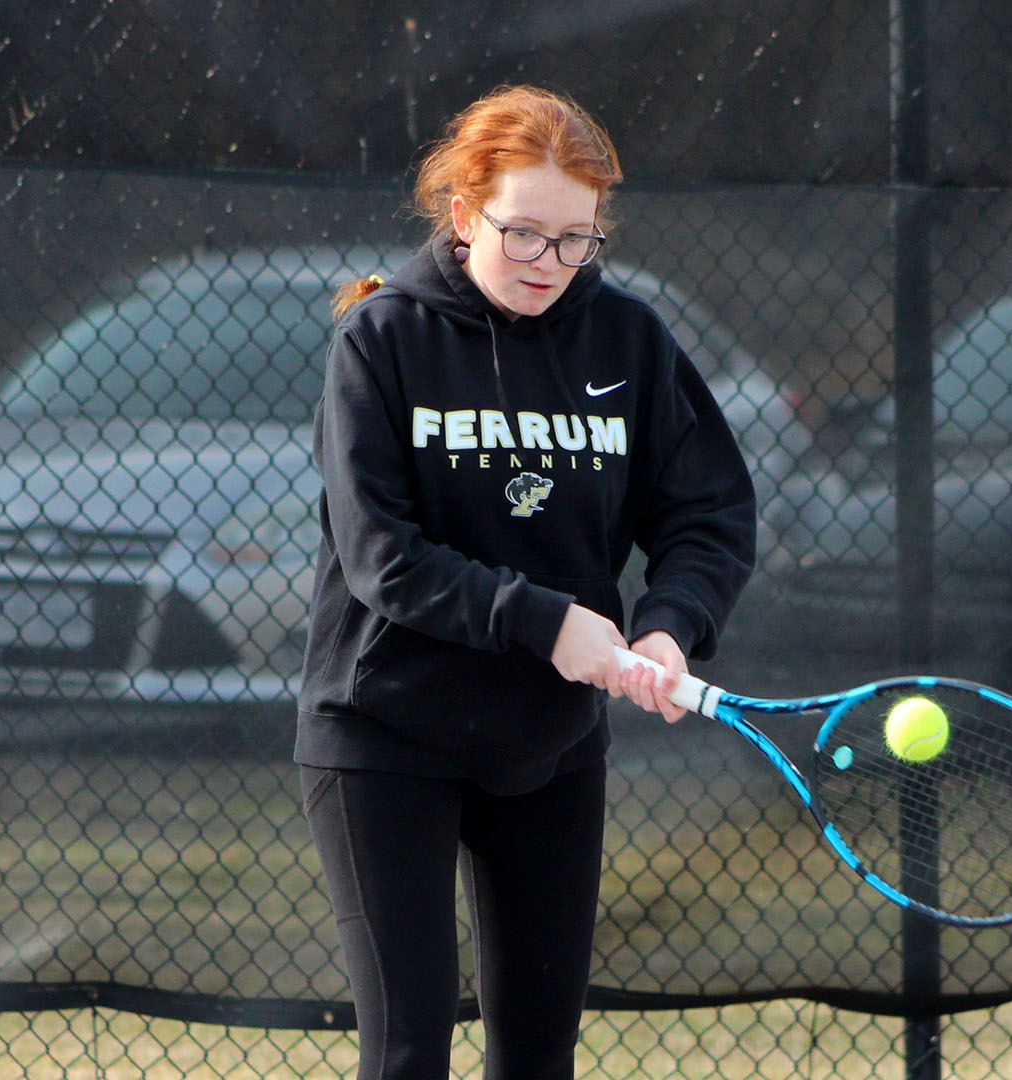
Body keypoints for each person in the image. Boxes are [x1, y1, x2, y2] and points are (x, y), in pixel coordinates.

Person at [295, 84, 757, 1080]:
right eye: (523, 234)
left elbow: (708, 514)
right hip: (384, 731)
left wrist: (671, 627)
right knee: (408, 1052)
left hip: (548, 746)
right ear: (464, 216)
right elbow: (383, 558)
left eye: (576, 240)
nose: (549, 263)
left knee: (539, 1057)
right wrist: (549, 624)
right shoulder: (379, 344)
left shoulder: (630, 342)